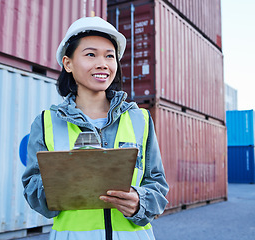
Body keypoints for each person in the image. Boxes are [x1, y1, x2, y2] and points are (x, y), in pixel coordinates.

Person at [22, 16, 169, 240]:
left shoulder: (140, 119)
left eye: (110, 56)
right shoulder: (45, 122)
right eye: (91, 54)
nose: (103, 63)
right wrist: (65, 184)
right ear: (68, 63)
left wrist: (140, 202)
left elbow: (157, 186)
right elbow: (33, 192)